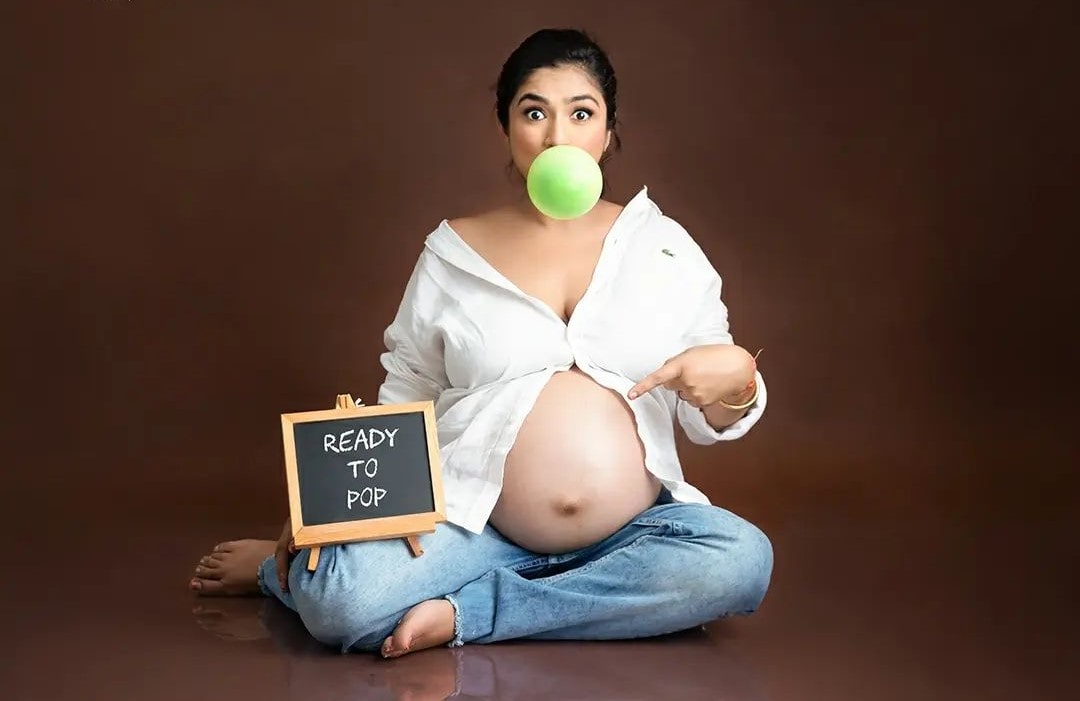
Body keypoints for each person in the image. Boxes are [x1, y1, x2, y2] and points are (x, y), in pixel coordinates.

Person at [189, 27, 774, 659]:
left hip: (631, 535)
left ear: (607, 131)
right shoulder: (453, 252)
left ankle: (470, 611)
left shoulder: (665, 247)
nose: (557, 136)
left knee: (741, 562)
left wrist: (738, 384)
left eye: (581, 113)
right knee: (341, 603)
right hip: (475, 522)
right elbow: (408, 386)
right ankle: (281, 576)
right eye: (533, 112)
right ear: (507, 129)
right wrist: (333, 510)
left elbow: (713, 405)